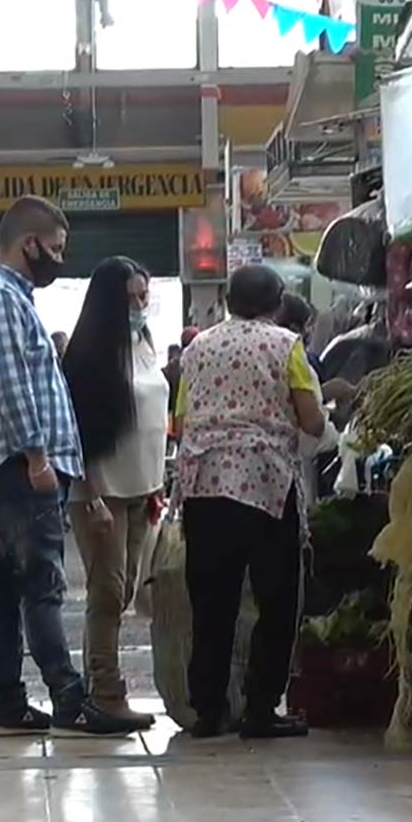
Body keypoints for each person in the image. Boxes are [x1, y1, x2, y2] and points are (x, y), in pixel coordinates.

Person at [0, 194, 134, 738]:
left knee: (11, 585)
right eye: (54, 248)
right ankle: (68, 698)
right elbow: (12, 384)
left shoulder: (10, 297)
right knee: (43, 584)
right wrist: (37, 454)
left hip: (23, 464)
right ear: (28, 243)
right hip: (20, 465)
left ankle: (8, 701)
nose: (58, 258)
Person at [173, 265, 327, 740]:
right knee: (277, 602)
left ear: (227, 301)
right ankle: (261, 708)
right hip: (264, 484)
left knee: (211, 604)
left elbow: (181, 419)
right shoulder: (286, 346)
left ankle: (208, 709)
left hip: (204, 484)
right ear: (277, 303)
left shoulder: (198, 347)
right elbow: (312, 420)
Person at [60, 257, 165, 730]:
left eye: (144, 295)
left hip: (143, 488)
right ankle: (107, 691)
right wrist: (93, 495)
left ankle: (94, 685)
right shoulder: (87, 356)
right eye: (130, 298)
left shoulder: (143, 344)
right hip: (101, 493)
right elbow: (76, 432)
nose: (140, 305)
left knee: (122, 591)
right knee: (106, 592)